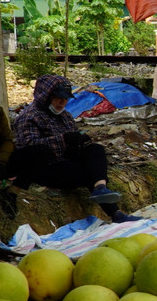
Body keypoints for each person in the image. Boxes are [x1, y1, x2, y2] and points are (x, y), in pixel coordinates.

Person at [10, 74, 133, 222]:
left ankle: (101, 188)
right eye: (58, 98)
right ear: (46, 96)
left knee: (95, 149)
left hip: (66, 159)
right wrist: (63, 140)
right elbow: (29, 147)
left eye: (65, 98)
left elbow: (73, 139)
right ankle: (116, 214)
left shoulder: (65, 116)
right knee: (88, 173)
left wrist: (79, 142)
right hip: (45, 167)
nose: (62, 102)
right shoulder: (29, 116)